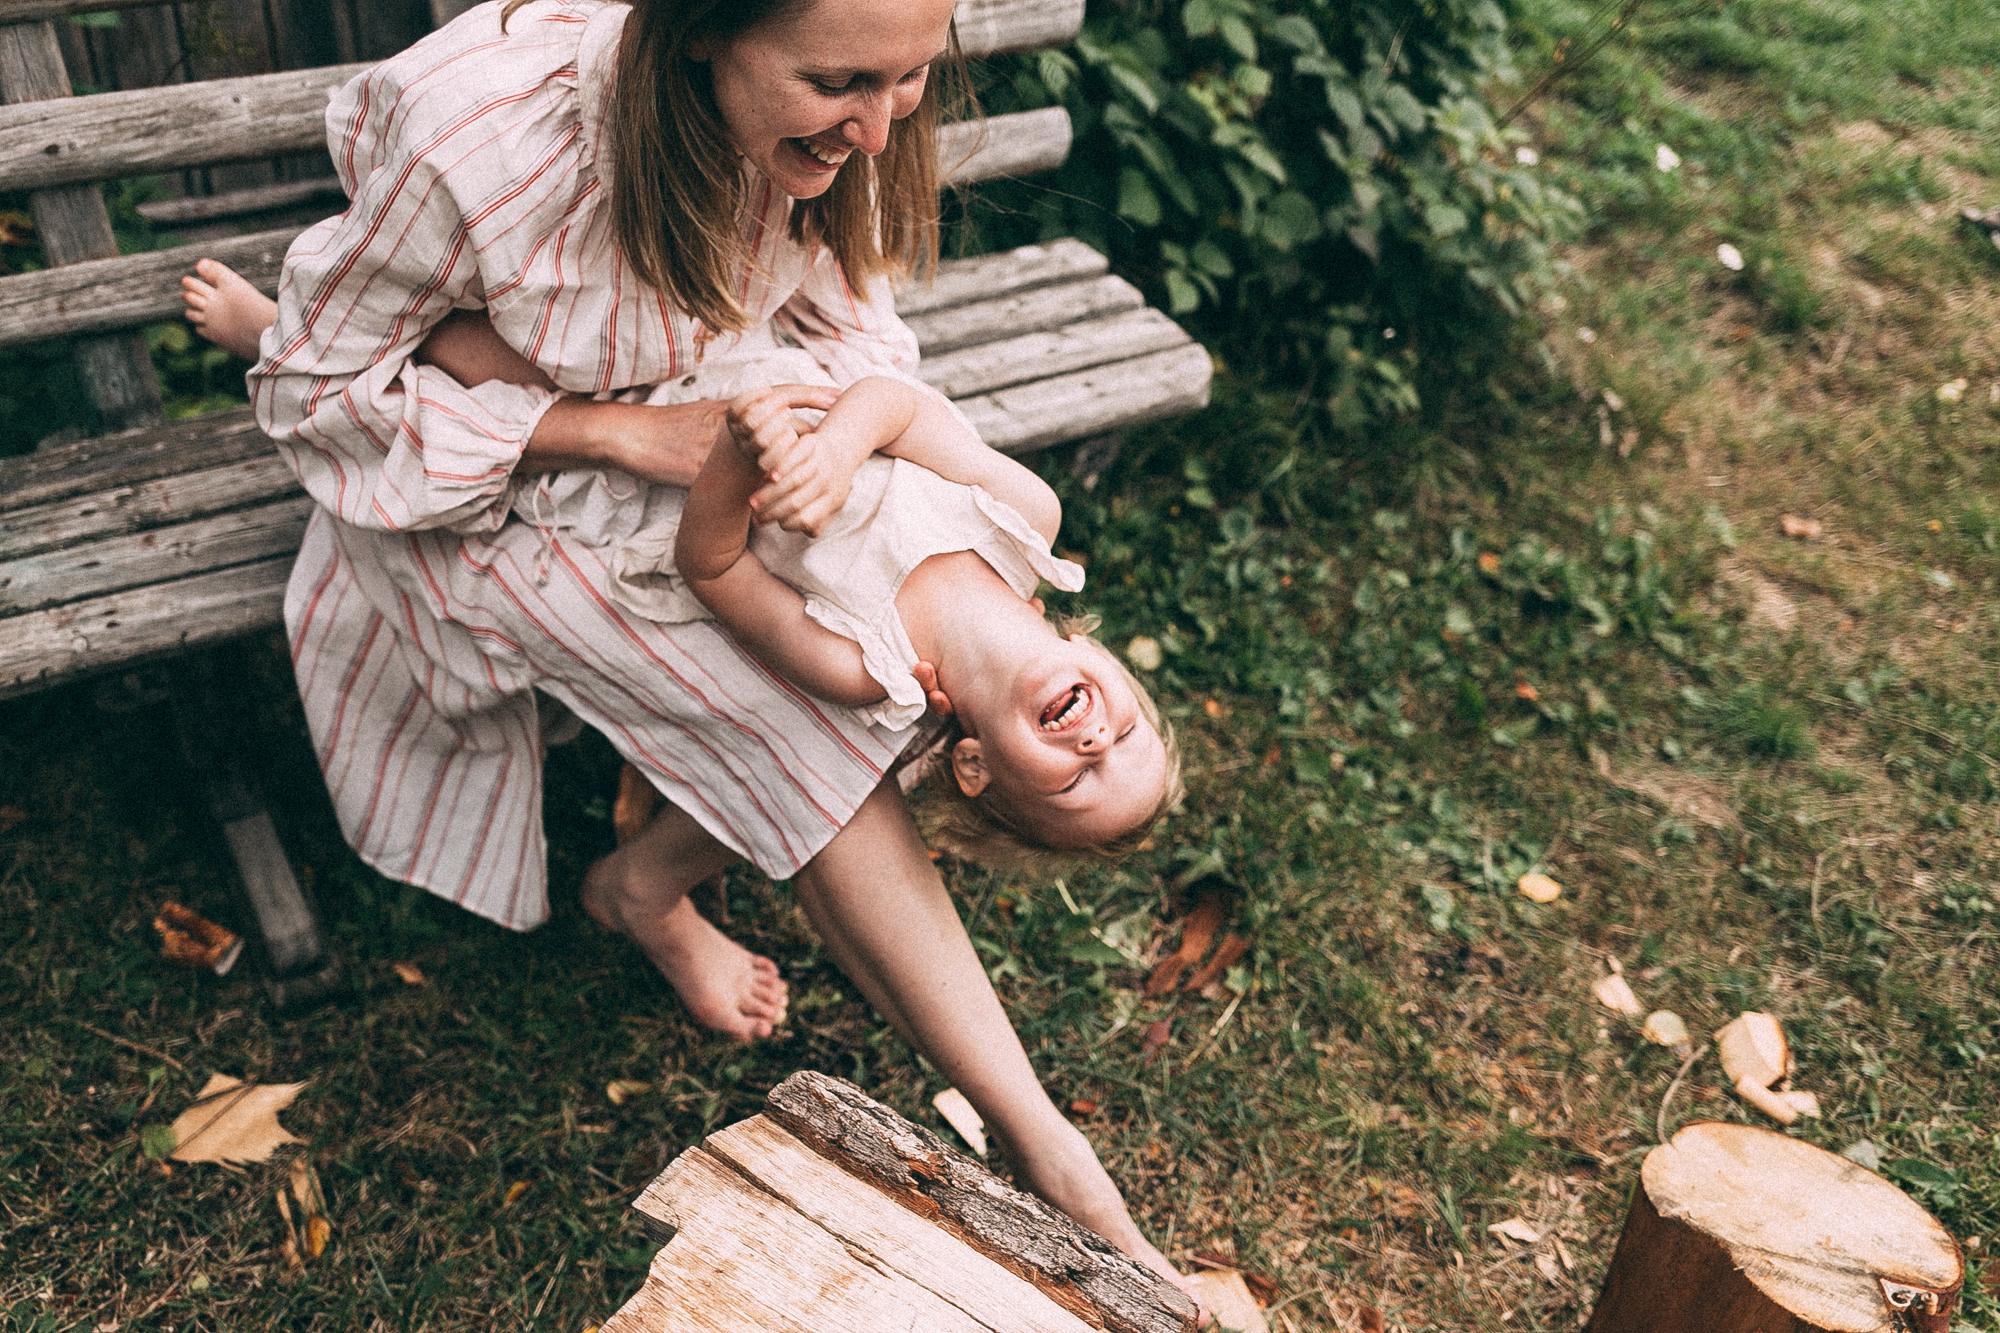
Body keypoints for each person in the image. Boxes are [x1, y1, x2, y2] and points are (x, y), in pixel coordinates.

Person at [215, 0, 1196, 1299]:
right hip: (500, 483)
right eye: (841, 82)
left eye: (905, 82)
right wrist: (632, 436)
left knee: (842, 712)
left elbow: (844, 339)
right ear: (696, 32)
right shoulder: (488, 144)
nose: (879, 124)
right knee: (822, 729)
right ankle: (1040, 1140)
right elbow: (313, 389)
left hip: (699, 409)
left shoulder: (840, 120)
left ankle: (1028, 1127)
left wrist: (798, 426)